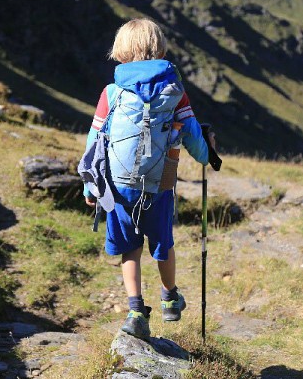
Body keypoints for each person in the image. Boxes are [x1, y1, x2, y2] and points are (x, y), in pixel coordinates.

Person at [82, 18, 213, 340]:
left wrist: (89, 184)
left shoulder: (112, 92)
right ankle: (170, 298)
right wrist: (209, 157)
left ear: (121, 50)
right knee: (162, 243)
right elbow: (194, 136)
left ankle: (135, 310)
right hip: (159, 183)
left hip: (117, 184)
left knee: (130, 248)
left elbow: (95, 139)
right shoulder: (174, 91)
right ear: (159, 46)